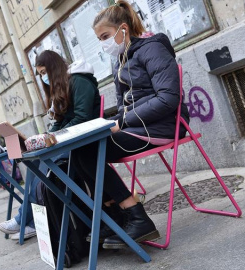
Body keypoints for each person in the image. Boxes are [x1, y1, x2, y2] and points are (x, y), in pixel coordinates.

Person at [69, 0, 189, 249]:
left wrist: (122, 121)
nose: (103, 43)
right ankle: (116, 216)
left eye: (105, 36)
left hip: (165, 126)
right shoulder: (120, 60)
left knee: (88, 150)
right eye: (100, 38)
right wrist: (114, 122)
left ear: (123, 28)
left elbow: (168, 98)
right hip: (139, 127)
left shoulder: (152, 49)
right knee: (78, 149)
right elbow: (123, 106)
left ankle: (136, 217)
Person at [0, 50, 101, 241]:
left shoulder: (79, 81)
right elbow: (62, 120)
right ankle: (30, 221)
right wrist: (47, 136)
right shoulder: (64, 87)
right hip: (72, 141)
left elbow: (82, 118)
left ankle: (26, 221)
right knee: (37, 165)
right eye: (40, 74)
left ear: (54, 68)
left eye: (44, 72)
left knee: (44, 166)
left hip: (88, 141)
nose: (43, 77)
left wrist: (55, 135)